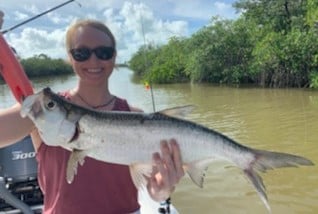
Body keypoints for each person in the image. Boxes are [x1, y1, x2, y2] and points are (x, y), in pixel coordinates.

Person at [0, 14, 185, 214]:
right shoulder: (42, 110)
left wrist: (163, 189)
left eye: (103, 52)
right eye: (82, 53)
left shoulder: (134, 116)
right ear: (70, 57)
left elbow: (154, 190)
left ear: (114, 57)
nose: (93, 60)